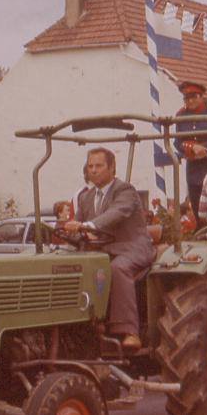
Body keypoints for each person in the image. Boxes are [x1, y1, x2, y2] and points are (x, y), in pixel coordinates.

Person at [64, 147, 154, 350]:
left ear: (112, 167)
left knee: (117, 268)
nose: (93, 170)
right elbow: (78, 224)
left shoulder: (125, 191)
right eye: (90, 166)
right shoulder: (86, 197)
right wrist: (70, 231)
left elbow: (116, 213)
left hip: (131, 247)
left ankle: (129, 331)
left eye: (99, 165)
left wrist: (89, 226)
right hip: (102, 250)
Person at [174, 81, 207, 222]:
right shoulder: (181, 116)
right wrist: (192, 147)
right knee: (197, 207)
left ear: (201, 97)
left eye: (193, 97)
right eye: (186, 98)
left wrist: (206, 148)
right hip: (194, 169)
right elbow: (177, 142)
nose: (190, 101)